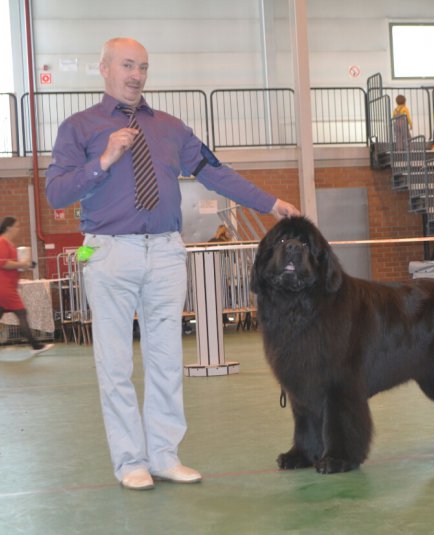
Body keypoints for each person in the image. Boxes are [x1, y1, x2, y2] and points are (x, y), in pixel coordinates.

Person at [45, 38, 299, 491]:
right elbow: (57, 193)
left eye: (142, 67)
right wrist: (104, 160)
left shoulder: (171, 127)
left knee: (165, 361)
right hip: (109, 252)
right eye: (126, 65)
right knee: (116, 364)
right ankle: (130, 462)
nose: (136, 75)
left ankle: (163, 455)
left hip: (164, 250)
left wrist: (271, 202)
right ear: (104, 69)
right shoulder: (79, 127)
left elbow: (214, 172)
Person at [0, 217, 55, 358]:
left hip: (4, 285)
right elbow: (4, 263)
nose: (18, 229)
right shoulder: (1, 242)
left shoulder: (6, 242)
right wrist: (22, 264)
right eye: (16, 226)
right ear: (8, 227)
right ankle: (35, 345)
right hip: (2, 286)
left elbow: (11, 264)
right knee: (21, 313)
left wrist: (26, 264)